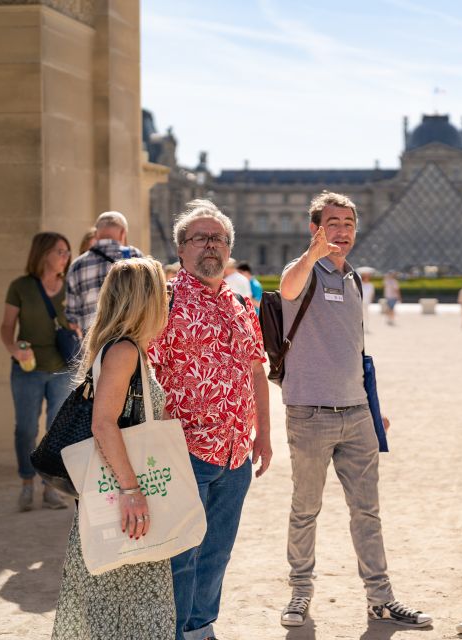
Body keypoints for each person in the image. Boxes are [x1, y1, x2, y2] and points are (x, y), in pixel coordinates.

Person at [277, 191, 432, 629]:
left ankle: (381, 599)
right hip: (309, 412)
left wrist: (371, 406)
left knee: (368, 511)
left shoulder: (354, 280)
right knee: (305, 509)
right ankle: (300, 594)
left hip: (357, 413)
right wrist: (312, 254)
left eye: (348, 223)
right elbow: (287, 285)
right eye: (332, 223)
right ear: (315, 228)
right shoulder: (304, 272)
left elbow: (356, 350)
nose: (341, 231)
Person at [148, 199, 272, 640]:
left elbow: (257, 370)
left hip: (237, 451)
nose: (210, 245)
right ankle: (176, 631)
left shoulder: (241, 304)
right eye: (199, 238)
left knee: (217, 552)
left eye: (218, 238)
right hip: (184, 451)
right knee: (181, 556)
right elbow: (142, 375)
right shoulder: (160, 301)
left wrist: (265, 437)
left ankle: (201, 629)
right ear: (180, 249)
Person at [52, 257, 176, 639]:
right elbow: (103, 424)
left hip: (117, 494)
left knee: (114, 606)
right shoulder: (123, 351)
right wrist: (131, 490)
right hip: (121, 497)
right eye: (162, 291)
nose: (168, 299)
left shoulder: (124, 348)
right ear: (145, 299)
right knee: (124, 607)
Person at [0, 232, 75, 512]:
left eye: (67, 252)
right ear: (43, 254)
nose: (66, 257)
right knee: (26, 429)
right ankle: (26, 483)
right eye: (60, 251)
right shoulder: (20, 286)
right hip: (26, 368)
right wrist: (14, 350)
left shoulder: (71, 287)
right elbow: (7, 326)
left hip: (62, 369)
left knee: (56, 432)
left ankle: (50, 488)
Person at [65, 211, 143, 335]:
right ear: (123, 233)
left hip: (94, 343)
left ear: (96, 234)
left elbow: (72, 318)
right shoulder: (135, 257)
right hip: (129, 339)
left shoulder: (76, 265)